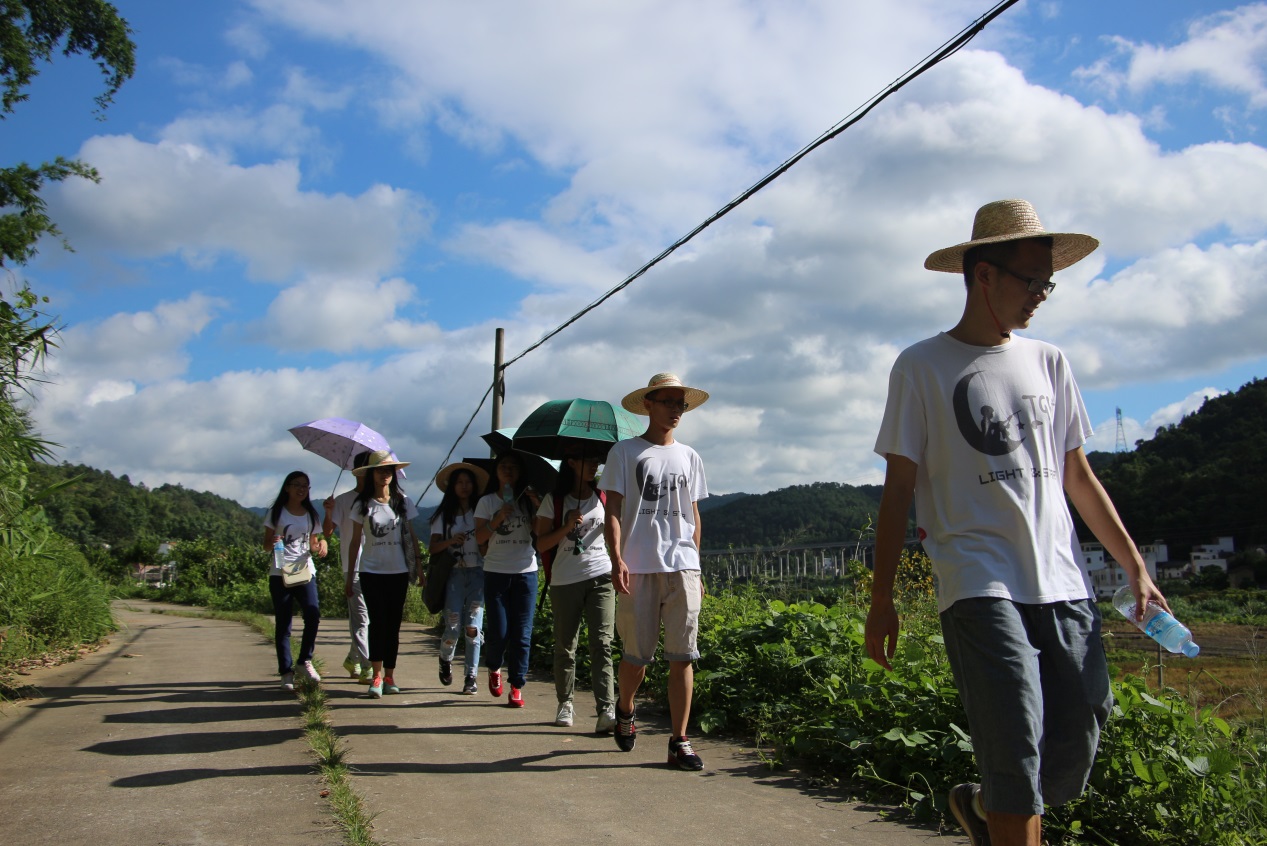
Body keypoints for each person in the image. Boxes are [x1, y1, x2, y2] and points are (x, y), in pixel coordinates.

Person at [864, 199, 1169, 846]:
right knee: (1013, 753)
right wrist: (881, 598)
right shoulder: (920, 366)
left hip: (1059, 578)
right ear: (983, 276)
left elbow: (1077, 478)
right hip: (976, 582)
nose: (1040, 295)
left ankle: (981, 808)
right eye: (1030, 281)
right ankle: (1002, 805)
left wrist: (1134, 567)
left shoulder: (1048, 361)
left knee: (1081, 727)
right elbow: (899, 490)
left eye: (1046, 284)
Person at [602, 372, 709, 770]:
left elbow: (693, 515)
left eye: (680, 404)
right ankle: (625, 708)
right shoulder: (625, 452)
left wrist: (696, 565)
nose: (675, 410)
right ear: (648, 403)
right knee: (637, 658)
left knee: (683, 656)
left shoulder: (691, 456)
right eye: (667, 402)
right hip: (639, 566)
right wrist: (617, 558)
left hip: (683, 565)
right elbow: (611, 509)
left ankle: (679, 740)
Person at [534, 442, 617, 733]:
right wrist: (566, 526)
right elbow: (541, 544)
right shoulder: (553, 501)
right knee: (565, 646)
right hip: (565, 580)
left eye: (596, 460)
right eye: (587, 460)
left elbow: (614, 535)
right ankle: (565, 702)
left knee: (602, 643)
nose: (594, 465)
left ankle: (606, 708)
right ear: (570, 462)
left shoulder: (602, 497)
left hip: (601, 576)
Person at [345, 450, 418, 699]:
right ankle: (375, 676)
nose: (384, 475)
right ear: (371, 474)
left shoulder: (403, 501)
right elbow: (356, 542)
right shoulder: (362, 504)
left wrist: (418, 567)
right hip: (370, 571)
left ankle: (389, 675)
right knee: (377, 623)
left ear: (393, 474)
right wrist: (349, 577)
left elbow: (411, 537)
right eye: (380, 470)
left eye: (388, 470)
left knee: (393, 625)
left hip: (398, 571)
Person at [474, 451, 541, 707]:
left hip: (526, 572)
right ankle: (493, 667)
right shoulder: (487, 502)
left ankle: (517, 685)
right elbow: (479, 538)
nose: (509, 470)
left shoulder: (528, 500)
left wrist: (536, 505)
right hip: (496, 572)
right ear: (496, 472)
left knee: (522, 634)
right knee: (500, 632)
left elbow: (539, 532)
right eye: (504, 466)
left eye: (514, 467)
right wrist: (498, 517)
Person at [263, 470, 329, 692]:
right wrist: (273, 542)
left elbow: (313, 543)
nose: (302, 489)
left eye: (306, 486)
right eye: (297, 485)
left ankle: (304, 661)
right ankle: (286, 672)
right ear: (287, 487)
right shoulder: (276, 513)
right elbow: (264, 545)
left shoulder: (311, 513)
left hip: (304, 571)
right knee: (283, 623)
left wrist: (321, 545)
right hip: (280, 572)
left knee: (313, 613)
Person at [430, 462, 489, 696]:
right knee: (453, 626)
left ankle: (471, 677)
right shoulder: (442, 516)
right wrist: (450, 541)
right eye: (459, 482)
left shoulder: (482, 511)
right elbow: (432, 547)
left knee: (473, 626)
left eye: (468, 482)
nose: (464, 487)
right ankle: (445, 658)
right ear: (452, 487)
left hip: (478, 573)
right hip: (453, 573)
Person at [323, 451, 373, 685]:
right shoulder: (343, 500)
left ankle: (352, 658)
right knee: (362, 620)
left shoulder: (380, 500)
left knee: (366, 620)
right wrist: (329, 511)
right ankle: (366, 665)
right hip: (353, 568)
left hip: (378, 568)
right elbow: (327, 532)